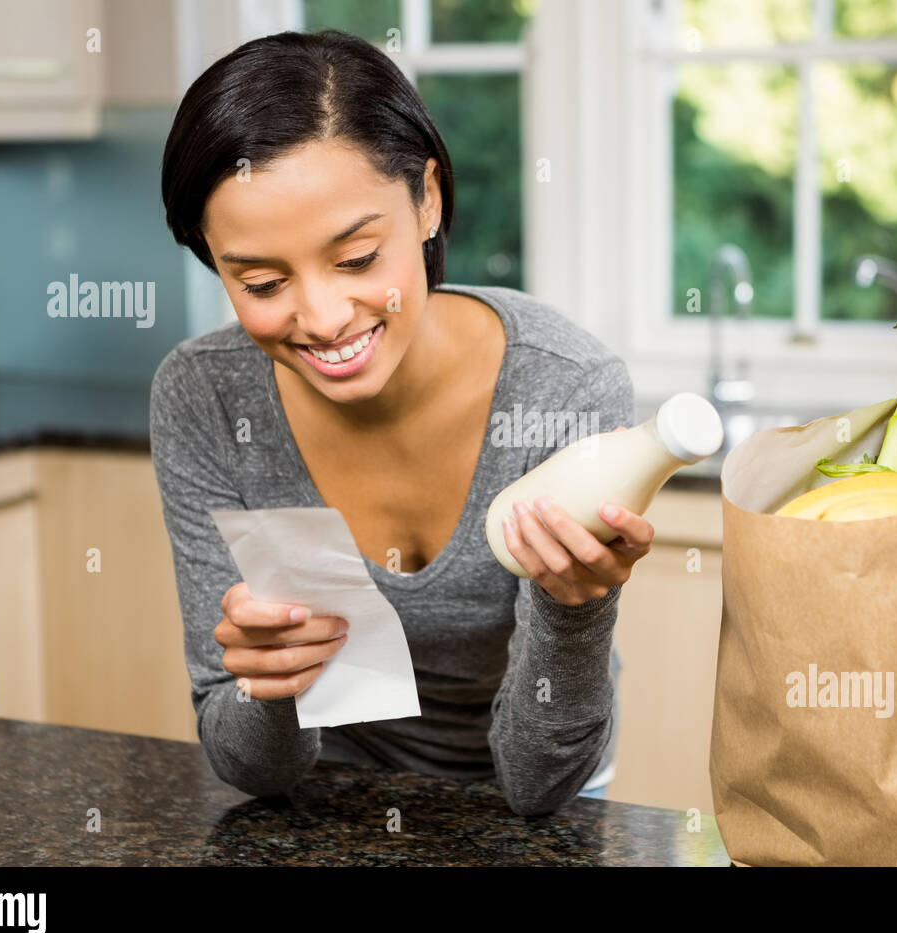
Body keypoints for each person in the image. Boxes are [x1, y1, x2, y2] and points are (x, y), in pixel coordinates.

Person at [150, 29, 652, 816]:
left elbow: (538, 786)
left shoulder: (565, 389)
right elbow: (254, 769)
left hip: (532, 797)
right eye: (260, 280)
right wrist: (269, 687)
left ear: (427, 199)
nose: (319, 317)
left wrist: (575, 612)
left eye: (355, 260)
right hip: (324, 800)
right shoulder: (203, 397)